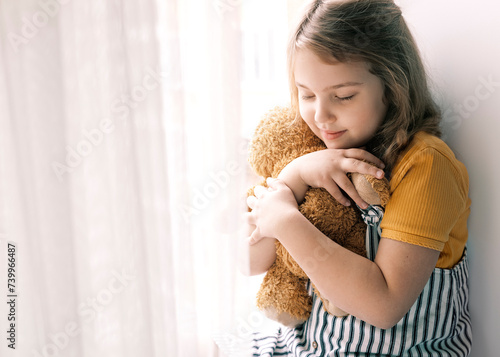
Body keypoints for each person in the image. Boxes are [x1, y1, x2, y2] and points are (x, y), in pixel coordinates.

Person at [244, 0, 472, 355]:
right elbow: (250, 260)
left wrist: (286, 220)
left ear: (392, 84)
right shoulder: (308, 145)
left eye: (344, 96)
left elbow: (383, 306)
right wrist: (296, 174)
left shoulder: (426, 166)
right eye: (306, 94)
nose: (321, 115)